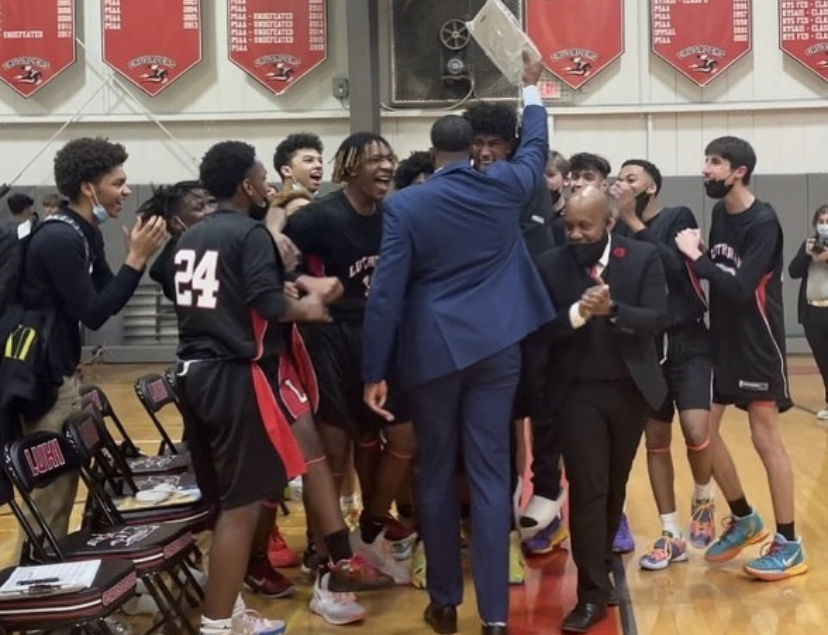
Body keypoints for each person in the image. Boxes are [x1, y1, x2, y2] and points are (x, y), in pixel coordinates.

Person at [362, 52, 554, 635]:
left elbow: (386, 295)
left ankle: (444, 599)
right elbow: (537, 148)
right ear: (474, 147)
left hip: (433, 352)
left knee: (437, 474)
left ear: (431, 151)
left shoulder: (403, 205)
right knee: (496, 477)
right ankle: (496, 615)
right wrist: (532, 89)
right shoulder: (505, 188)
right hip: (499, 348)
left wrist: (375, 369)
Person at [174, 141, 392, 635]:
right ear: (249, 185)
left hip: (197, 371)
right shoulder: (250, 234)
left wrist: (302, 285)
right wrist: (311, 307)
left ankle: (330, 564)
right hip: (236, 371)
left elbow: (231, 290)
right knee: (242, 505)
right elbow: (269, 305)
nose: (266, 183)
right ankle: (217, 624)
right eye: (259, 175)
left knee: (295, 467)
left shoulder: (191, 237)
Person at [527, 186, 667, 633]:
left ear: (608, 223)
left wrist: (615, 309)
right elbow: (536, 329)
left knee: (612, 487)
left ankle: (602, 566)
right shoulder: (550, 264)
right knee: (588, 488)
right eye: (568, 225)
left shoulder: (643, 258)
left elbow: (656, 319)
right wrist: (577, 315)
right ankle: (589, 593)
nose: (574, 234)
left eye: (584, 225)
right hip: (575, 393)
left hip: (629, 391)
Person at [15, 137, 166, 550]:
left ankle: (54, 582)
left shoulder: (86, 231)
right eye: (118, 182)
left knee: (65, 487)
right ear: (88, 187)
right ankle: (34, 596)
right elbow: (94, 312)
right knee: (49, 496)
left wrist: (134, 262)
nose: (127, 190)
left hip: (62, 372)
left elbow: (106, 300)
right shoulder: (58, 239)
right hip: (41, 381)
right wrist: (136, 260)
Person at [283, 132, 415, 587]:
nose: (385, 166)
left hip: (381, 336)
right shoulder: (319, 218)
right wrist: (307, 283)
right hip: (330, 338)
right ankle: (323, 556)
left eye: (389, 158)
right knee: (333, 452)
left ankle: (370, 532)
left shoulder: (393, 215)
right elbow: (273, 259)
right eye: (375, 159)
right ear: (350, 167)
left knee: (404, 435)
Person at [675, 135, 806, 581]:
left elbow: (739, 285)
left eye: (715, 162)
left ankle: (790, 543)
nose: (706, 169)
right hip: (723, 339)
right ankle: (744, 515)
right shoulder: (718, 213)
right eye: (706, 160)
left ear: (739, 172)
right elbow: (722, 270)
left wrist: (696, 258)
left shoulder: (764, 221)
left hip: (757, 343)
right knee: (704, 435)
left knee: (764, 439)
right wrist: (705, 253)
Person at [462, 98, 562, 568]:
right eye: (477, 143)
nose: (484, 152)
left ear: (512, 146)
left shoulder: (528, 179)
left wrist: (531, 90)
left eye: (493, 143)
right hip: (491, 325)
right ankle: (500, 511)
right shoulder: (463, 187)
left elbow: (537, 139)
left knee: (544, 407)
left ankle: (547, 493)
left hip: (537, 318)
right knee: (498, 418)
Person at [613, 159, 715, 571]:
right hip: (647, 344)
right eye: (619, 178)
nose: (622, 184)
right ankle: (670, 533)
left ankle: (704, 498)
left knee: (696, 430)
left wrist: (634, 221)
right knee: (656, 439)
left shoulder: (677, 216)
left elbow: (674, 268)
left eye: (630, 178)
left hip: (688, 337)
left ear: (651, 187)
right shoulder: (617, 228)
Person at [142, 181, 216, 302]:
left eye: (210, 204)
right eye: (199, 208)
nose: (211, 211)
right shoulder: (167, 265)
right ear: (177, 223)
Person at [788, 203, 828, 421]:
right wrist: (806, 255)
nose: (824, 226)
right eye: (821, 222)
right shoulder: (809, 244)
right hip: (813, 310)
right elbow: (793, 271)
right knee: (823, 359)